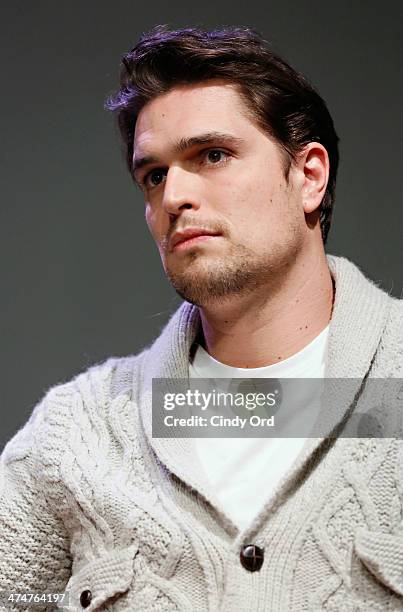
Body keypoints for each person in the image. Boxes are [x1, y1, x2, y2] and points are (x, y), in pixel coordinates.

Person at [1, 24, 402, 612]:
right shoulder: (78, 434)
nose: (174, 196)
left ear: (309, 176)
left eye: (212, 155)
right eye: (155, 174)